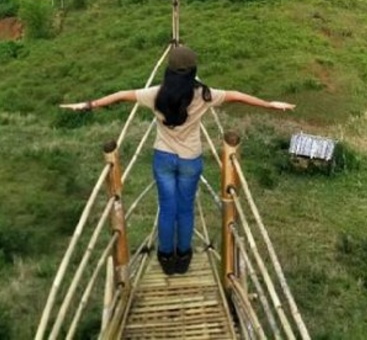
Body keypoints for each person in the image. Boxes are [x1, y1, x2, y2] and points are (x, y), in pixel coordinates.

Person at [61, 44, 295, 275]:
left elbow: (122, 96)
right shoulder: (204, 95)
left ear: (169, 70)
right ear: (193, 71)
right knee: (185, 209)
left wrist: (89, 104)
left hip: (163, 157)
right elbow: (236, 96)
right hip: (190, 160)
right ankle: (183, 256)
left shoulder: (155, 94)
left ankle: (165, 256)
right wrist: (269, 104)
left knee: (167, 208)